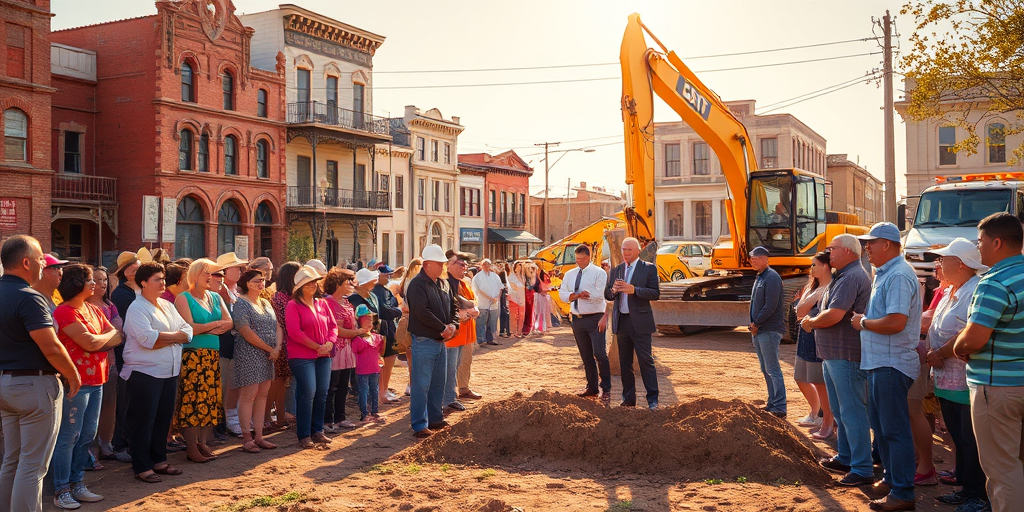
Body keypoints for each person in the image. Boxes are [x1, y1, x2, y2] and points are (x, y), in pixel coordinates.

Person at [0, 235, 81, 512]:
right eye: (39, 259)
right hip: (34, 386)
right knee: (32, 466)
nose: (42, 265)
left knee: (12, 460)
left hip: (6, 385)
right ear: (26, 263)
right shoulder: (29, 296)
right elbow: (52, 347)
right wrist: (72, 374)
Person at [952, 212, 1024, 512]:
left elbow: (973, 339)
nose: (977, 247)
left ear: (997, 243)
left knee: (1002, 469)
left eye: (980, 241)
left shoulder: (995, 281)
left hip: (998, 387)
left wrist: (958, 347)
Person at [851, 222, 922, 512]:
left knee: (894, 430)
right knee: (882, 429)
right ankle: (893, 480)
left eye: (872, 242)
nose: (867, 247)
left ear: (888, 245)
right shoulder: (886, 273)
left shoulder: (899, 275)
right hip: (880, 362)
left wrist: (863, 322)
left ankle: (903, 492)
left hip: (891, 364)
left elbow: (896, 322)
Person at [803, 234, 874, 487]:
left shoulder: (851, 277)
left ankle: (862, 468)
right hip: (835, 354)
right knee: (842, 411)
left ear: (848, 251)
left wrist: (811, 322)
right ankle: (846, 457)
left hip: (846, 355)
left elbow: (834, 315)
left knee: (852, 412)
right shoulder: (843, 276)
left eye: (832, 248)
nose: (828, 253)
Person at [923, 238, 989, 509]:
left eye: (943, 259)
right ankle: (967, 488)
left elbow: (968, 333)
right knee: (959, 438)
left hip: (965, 380)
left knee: (970, 440)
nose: (939, 264)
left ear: (960, 264)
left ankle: (978, 495)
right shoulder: (951, 290)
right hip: (946, 379)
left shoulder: (975, 290)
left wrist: (940, 353)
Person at [51, 264, 122, 509]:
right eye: (89, 279)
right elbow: (92, 342)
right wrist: (101, 340)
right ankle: (61, 489)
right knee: (69, 436)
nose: (95, 283)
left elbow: (117, 335)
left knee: (87, 435)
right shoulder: (64, 311)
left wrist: (96, 340)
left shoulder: (92, 309)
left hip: (97, 380)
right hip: (75, 382)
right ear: (75, 283)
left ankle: (77, 483)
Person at [121, 262, 192, 484]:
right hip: (144, 372)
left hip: (169, 371)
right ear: (143, 282)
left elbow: (188, 331)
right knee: (144, 420)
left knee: (163, 418)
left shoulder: (167, 305)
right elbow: (147, 340)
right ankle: (142, 466)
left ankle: (159, 460)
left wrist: (165, 337)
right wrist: (175, 337)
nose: (163, 282)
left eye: (163, 278)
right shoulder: (137, 308)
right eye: (157, 279)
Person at [173, 258, 231, 463]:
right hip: (192, 356)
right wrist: (214, 326)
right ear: (194, 275)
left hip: (212, 355)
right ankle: (191, 446)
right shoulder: (183, 298)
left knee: (210, 400)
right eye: (206, 272)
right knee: (192, 401)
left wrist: (205, 328)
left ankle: (203, 443)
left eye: (211, 273)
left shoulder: (215, 297)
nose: (210, 277)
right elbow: (189, 328)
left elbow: (229, 322)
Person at [406, 245, 459, 438]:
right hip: (424, 340)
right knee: (421, 385)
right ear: (427, 264)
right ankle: (419, 424)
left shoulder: (443, 284)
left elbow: (453, 307)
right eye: (439, 263)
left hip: (438, 341)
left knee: (438, 382)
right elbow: (422, 312)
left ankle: (435, 418)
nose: (443, 266)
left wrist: (453, 325)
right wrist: (443, 328)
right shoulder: (417, 285)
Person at [604, 237, 661, 409]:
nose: (626, 253)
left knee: (645, 360)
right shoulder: (617, 270)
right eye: (624, 249)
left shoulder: (649, 269)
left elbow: (655, 293)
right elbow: (608, 295)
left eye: (629, 249)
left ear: (638, 251)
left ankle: (652, 400)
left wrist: (634, 290)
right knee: (625, 363)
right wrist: (614, 290)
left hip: (641, 322)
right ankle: (628, 399)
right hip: (622, 322)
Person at [285, 265, 337, 449]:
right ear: (300, 287)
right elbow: (294, 332)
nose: (313, 285)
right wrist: (317, 347)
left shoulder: (322, 303)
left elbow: (333, 326)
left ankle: (317, 431)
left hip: (324, 354)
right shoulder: (293, 305)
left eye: (315, 282)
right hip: (302, 356)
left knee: (322, 393)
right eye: (308, 283)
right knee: (308, 392)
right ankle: (304, 434)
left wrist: (329, 343)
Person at [232, 269, 281, 453]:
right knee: (248, 396)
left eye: (263, 280)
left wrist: (277, 347)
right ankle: (247, 437)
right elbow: (245, 331)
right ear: (247, 283)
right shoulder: (241, 303)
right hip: (249, 354)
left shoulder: (265, 302)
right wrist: (270, 349)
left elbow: (277, 325)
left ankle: (259, 436)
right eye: (257, 280)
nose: (261, 283)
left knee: (262, 396)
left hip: (268, 355)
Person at [561, 245, 611, 400]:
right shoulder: (569, 274)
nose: (579, 262)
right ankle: (592, 387)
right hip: (577, 318)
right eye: (576, 259)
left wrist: (584, 295)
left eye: (581, 259)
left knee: (599, 352)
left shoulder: (599, 273)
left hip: (595, 317)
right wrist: (574, 295)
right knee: (585, 354)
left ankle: (606, 386)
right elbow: (562, 293)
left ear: (588, 257)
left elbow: (600, 294)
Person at [794, 253, 835, 438]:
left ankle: (825, 419)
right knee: (800, 377)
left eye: (814, 265)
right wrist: (814, 294)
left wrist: (814, 296)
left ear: (826, 266)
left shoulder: (831, 288)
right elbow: (799, 311)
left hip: (818, 340)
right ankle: (816, 412)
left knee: (819, 382)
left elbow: (803, 310)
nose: (811, 269)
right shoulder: (813, 287)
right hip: (805, 337)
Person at [108, 250, 141, 464]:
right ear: (123, 271)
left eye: (137, 267)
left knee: (134, 401)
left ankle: (130, 441)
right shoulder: (121, 294)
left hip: (140, 352)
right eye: (131, 267)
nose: (135, 270)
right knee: (124, 400)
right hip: (125, 353)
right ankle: (119, 443)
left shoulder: (140, 290)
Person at [748, 245, 788, 417]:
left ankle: (779, 406)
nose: (752, 261)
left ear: (765, 258)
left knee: (773, 369)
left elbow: (770, 305)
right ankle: (772, 403)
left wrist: (756, 323)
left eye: (756, 258)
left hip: (768, 330)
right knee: (766, 369)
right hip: (759, 330)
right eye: (751, 258)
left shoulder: (772, 277)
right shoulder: (761, 277)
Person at [323, 268, 365, 431]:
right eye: (350, 281)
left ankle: (340, 418)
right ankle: (327, 420)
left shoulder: (346, 302)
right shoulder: (328, 302)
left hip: (347, 349)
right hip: (334, 348)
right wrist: (358, 332)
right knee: (331, 386)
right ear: (338, 283)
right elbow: (336, 329)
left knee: (342, 385)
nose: (353, 284)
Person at [87, 266, 121, 464]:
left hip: (110, 362)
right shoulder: (82, 306)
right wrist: (107, 337)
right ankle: (90, 450)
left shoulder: (110, 305)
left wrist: (103, 339)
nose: (102, 283)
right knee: (91, 408)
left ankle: (106, 443)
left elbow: (119, 332)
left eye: (104, 280)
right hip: (89, 365)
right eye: (97, 279)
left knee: (109, 403)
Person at [215, 252, 247, 439]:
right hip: (224, 345)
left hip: (236, 345)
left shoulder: (236, 291)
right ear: (226, 271)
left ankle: (232, 419)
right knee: (224, 384)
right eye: (237, 268)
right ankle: (223, 422)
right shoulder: (220, 292)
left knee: (234, 384)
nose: (240, 271)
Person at [445, 251, 480, 412]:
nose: (465, 267)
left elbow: (472, 301)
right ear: (449, 265)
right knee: (451, 367)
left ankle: (463, 389)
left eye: (466, 264)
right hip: (453, 333)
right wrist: (465, 311)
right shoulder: (446, 283)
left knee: (464, 362)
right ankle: (448, 398)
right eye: (461, 264)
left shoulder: (463, 283)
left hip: (467, 331)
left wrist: (473, 309)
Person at [268, 262, 300, 432]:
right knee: (277, 383)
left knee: (284, 382)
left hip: (293, 344)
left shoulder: (292, 297)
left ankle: (282, 416)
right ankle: (272, 418)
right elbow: (282, 323)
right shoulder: (278, 298)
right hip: (281, 344)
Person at [370, 265, 404, 405]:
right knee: (383, 361)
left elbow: (391, 306)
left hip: (389, 327)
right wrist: (399, 310)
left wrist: (395, 309)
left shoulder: (385, 290)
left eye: (390, 275)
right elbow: (385, 310)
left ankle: (384, 389)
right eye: (387, 275)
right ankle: (381, 392)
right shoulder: (375, 290)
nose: (389, 278)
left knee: (390, 358)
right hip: (382, 328)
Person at [351, 306, 385, 424]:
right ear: (359, 321)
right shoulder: (357, 339)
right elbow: (354, 352)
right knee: (364, 391)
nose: (369, 322)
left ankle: (374, 412)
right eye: (365, 319)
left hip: (374, 369)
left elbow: (380, 351)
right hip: (362, 370)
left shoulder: (376, 337)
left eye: (370, 319)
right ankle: (365, 413)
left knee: (374, 390)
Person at [472, 259, 503, 346]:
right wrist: (490, 298)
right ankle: (481, 340)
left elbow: (501, 287)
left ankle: (491, 339)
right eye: (484, 264)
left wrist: (497, 298)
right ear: (482, 266)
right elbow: (477, 290)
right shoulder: (477, 277)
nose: (486, 266)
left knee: (492, 322)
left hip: (494, 303)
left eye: (488, 264)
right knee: (481, 322)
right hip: (483, 303)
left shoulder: (495, 276)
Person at [507, 262, 526, 338]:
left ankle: (519, 332)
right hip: (513, 298)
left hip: (522, 298)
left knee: (521, 316)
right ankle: (513, 332)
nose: (519, 268)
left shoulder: (523, 277)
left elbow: (524, 286)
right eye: (518, 266)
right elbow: (513, 287)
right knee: (513, 316)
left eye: (520, 266)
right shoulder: (511, 276)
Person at [533, 269, 554, 333]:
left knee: (544, 312)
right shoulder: (538, 279)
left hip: (544, 297)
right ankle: (539, 327)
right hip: (540, 297)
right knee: (540, 312)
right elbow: (541, 290)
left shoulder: (544, 279)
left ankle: (543, 326)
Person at [497, 262, 511, 338]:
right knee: (505, 311)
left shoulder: (501, 273)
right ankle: (506, 330)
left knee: (503, 312)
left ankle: (503, 330)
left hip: (502, 293)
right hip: (504, 293)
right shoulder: (504, 274)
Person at [522, 264, 536, 335]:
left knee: (529, 310)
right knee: (526, 310)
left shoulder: (532, 275)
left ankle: (528, 326)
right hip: (524, 292)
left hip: (529, 292)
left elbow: (532, 283)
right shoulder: (523, 274)